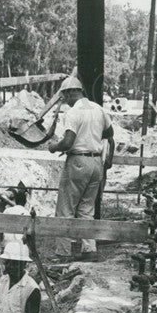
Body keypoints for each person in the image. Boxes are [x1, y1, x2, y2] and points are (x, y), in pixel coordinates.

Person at [48, 76, 114, 260]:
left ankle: (62, 252)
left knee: (65, 209)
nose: (65, 101)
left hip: (78, 162)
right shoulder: (98, 109)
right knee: (86, 209)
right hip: (95, 163)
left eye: (65, 96)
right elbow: (110, 133)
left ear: (70, 93)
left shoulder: (73, 113)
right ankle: (89, 249)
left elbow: (68, 142)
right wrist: (91, 135)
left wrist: (54, 146)